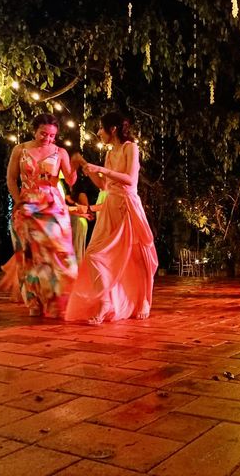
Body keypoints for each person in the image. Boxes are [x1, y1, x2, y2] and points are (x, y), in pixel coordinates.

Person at [65, 112, 158, 324]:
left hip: (128, 206)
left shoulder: (130, 148)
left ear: (113, 129)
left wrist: (100, 170)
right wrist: (88, 169)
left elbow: (130, 180)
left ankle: (143, 300)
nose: (98, 132)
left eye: (100, 128)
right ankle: (105, 301)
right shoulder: (109, 154)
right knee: (93, 255)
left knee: (137, 257)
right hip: (110, 208)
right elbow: (104, 186)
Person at [6, 113, 78, 317]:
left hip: (52, 206)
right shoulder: (20, 149)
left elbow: (71, 181)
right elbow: (11, 178)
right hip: (26, 205)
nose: (47, 138)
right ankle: (34, 302)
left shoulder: (60, 152)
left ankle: (56, 301)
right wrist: (17, 199)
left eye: (52, 135)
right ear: (34, 130)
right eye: (43, 133)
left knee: (57, 254)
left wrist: (76, 165)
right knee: (29, 257)